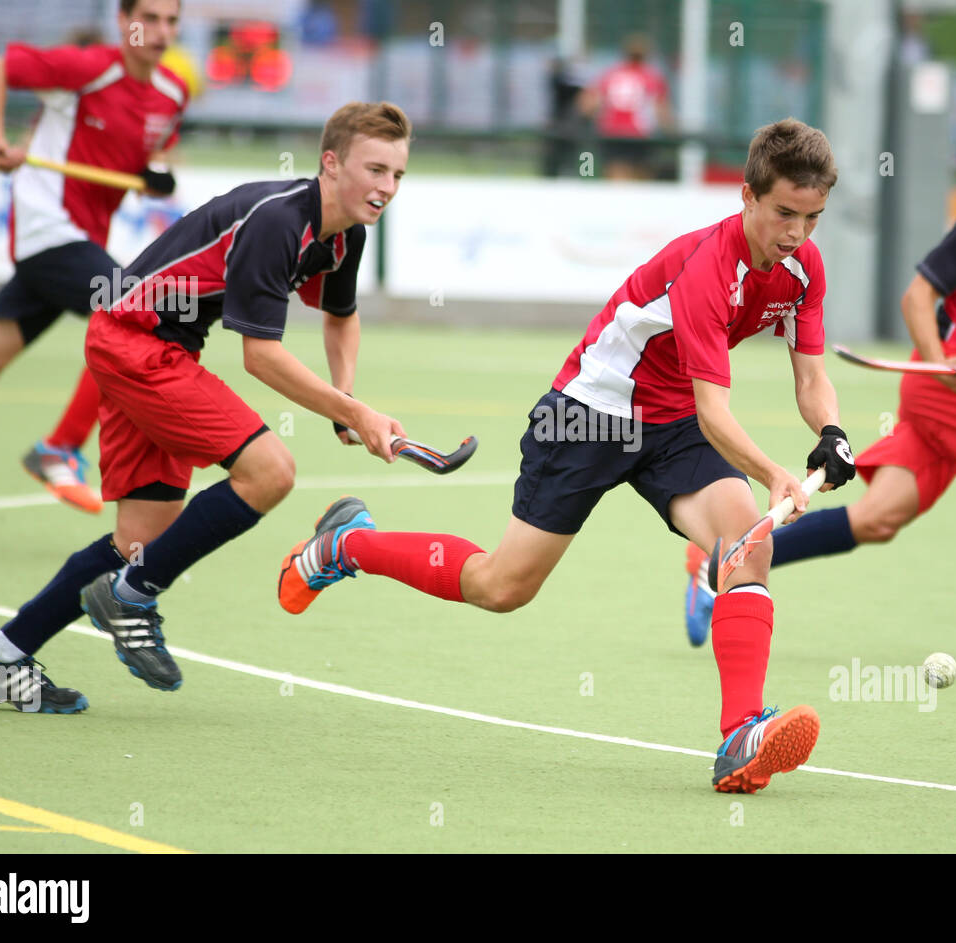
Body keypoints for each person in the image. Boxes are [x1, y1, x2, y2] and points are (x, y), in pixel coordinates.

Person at [278, 119, 856, 794]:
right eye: (784, 213)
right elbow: (715, 411)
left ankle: (740, 736)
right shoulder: (706, 268)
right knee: (502, 586)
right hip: (588, 415)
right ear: (748, 196)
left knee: (746, 543)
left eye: (812, 218)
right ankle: (349, 544)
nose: (795, 233)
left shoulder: (802, 266)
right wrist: (773, 472)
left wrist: (832, 430)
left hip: (668, 424)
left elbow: (811, 378)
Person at [0, 101, 412, 714]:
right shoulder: (279, 221)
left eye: (397, 175)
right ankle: (132, 598)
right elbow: (262, 356)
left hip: (157, 346)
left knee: (139, 542)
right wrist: (357, 416)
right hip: (135, 342)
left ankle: (1, 656)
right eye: (375, 169)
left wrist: (345, 396)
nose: (386, 187)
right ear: (331, 164)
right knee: (270, 472)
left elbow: (340, 316)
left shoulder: (345, 234)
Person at [683, 98, 956, 670]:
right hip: (947, 378)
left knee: (875, 520)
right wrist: (943, 363)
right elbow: (918, 297)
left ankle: (724, 560)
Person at [0, 0, 186, 514]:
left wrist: (156, 176)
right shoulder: (89, 68)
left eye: (170, 20)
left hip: (79, 240)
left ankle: (58, 448)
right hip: (46, 227)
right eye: (149, 19)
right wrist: (0, 143)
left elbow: (151, 152)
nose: (160, 31)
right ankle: (60, 448)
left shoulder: (172, 94)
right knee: (135, 313)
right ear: (124, 22)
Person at [578, 34, 673, 180]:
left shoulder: (610, 74)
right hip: (639, 134)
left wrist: (592, 119)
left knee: (617, 177)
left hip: (612, 132)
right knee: (641, 179)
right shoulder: (652, 77)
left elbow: (587, 104)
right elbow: (661, 110)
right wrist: (671, 129)